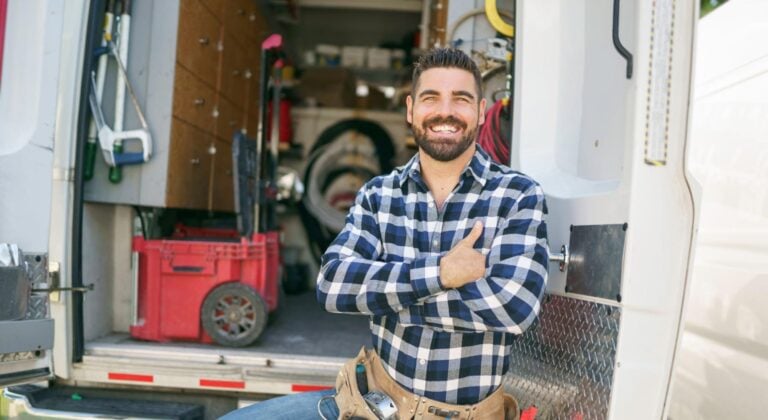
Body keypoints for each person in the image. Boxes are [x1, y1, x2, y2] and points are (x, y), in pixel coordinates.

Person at [221, 47, 548, 420]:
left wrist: (387, 293)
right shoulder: (380, 194)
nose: (446, 111)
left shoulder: (518, 195)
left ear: (480, 109)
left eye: (460, 99)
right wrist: (442, 274)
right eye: (431, 98)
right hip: (371, 406)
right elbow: (333, 285)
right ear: (411, 109)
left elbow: (515, 310)